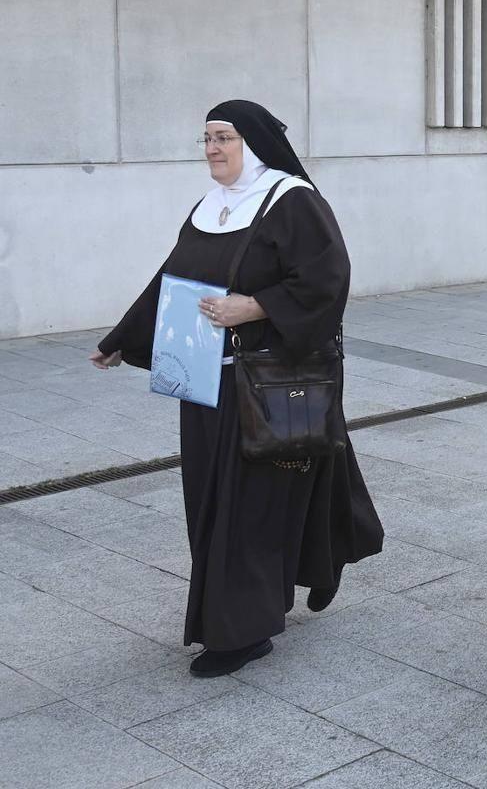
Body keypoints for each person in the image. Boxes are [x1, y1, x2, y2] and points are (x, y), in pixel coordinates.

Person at [89, 100, 384, 676]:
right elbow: (173, 278)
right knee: (211, 498)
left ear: (252, 142)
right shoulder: (212, 206)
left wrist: (254, 306)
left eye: (222, 137)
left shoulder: (291, 200)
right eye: (205, 139)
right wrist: (126, 337)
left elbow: (328, 280)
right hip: (204, 380)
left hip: (268, 381)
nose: (212, 150)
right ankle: (324, 559)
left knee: (250, 506)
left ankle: (241, 633)